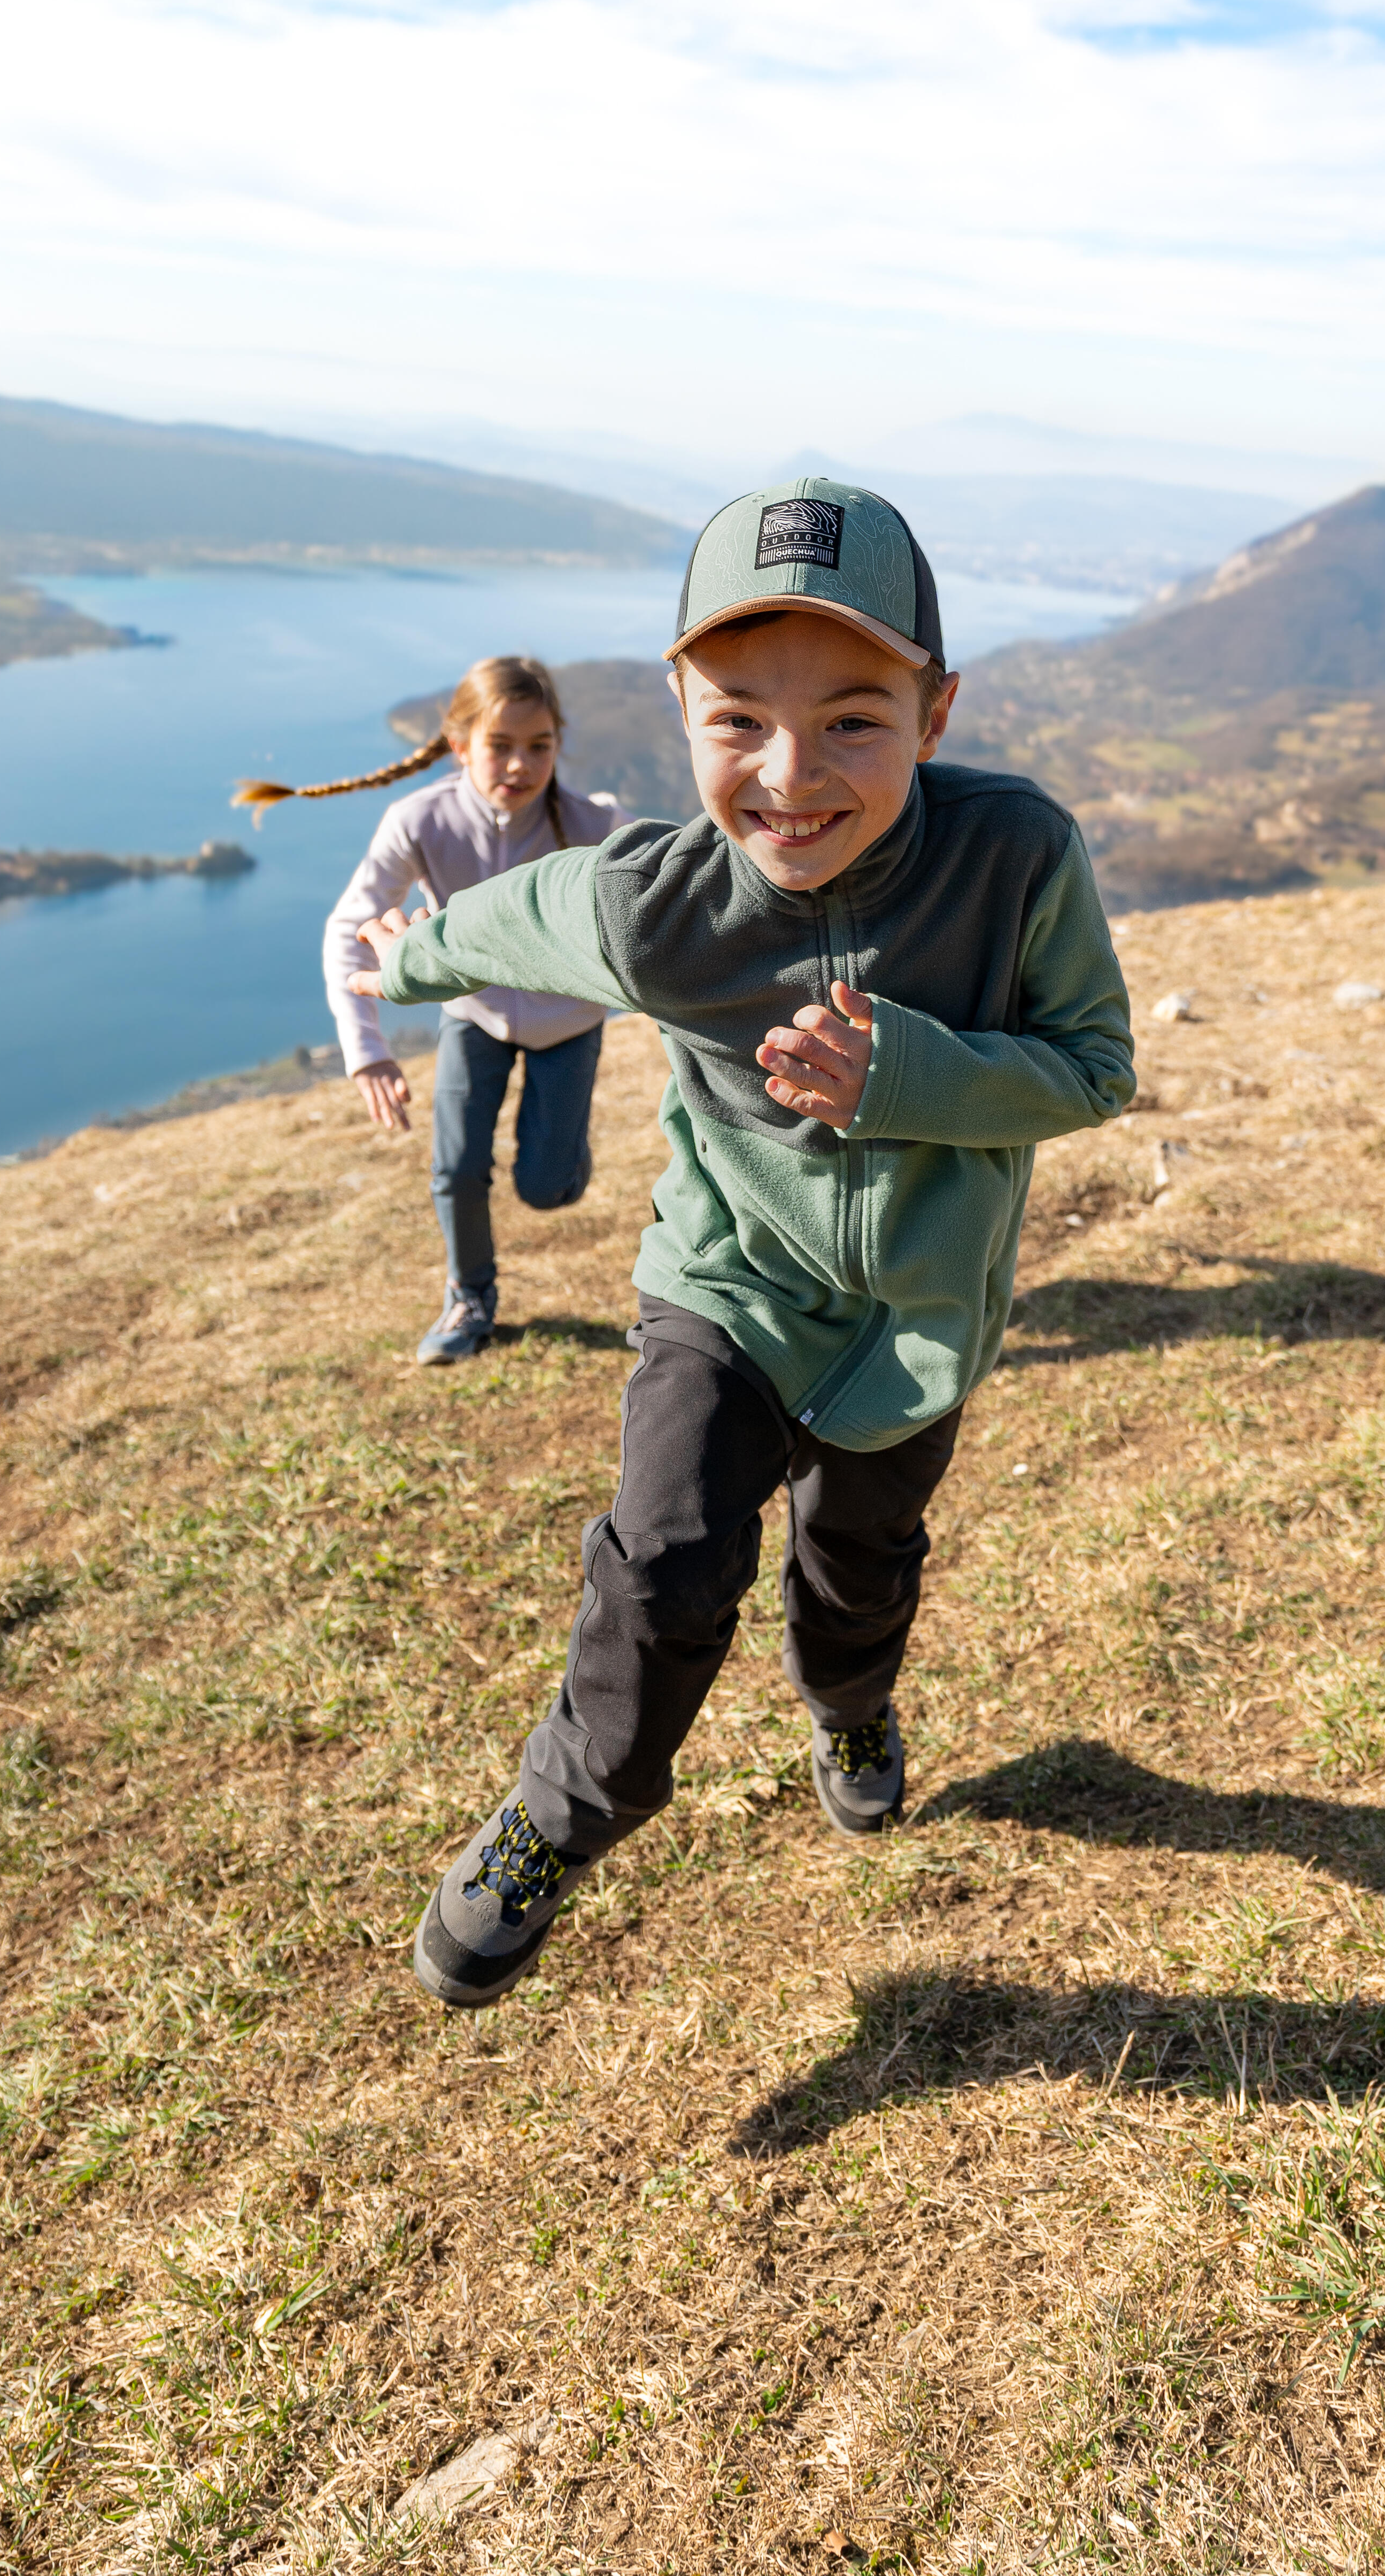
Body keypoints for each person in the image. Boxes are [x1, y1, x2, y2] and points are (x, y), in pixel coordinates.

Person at [345, 481, 1136, 2008]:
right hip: (726, 1285)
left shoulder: (1016, 854)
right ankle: (556, 1816)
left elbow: (1094, 1066)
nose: (790, 773)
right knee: (662, 1565)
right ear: (681, 711)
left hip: (916, 1320)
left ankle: (849, 1706)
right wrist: (412, 955)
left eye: (853, 720)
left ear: (935, 708)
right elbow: (516, 914)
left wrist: (906, 1074)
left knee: (857, 1572)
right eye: (738, 721)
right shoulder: (656, 904)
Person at [239, 655, 625, 1365]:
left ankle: (562, 1157)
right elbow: (348, 928)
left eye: (539, 745)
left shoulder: (593, 822)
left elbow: (675, 879)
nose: (520, 764)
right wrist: (367, 1051)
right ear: (459, 746)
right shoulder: (419, 820)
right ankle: (469, 1298)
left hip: (569, 1025)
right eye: (499, 745)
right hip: (471, 1014)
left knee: (546, 1190)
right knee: (455, 1168)